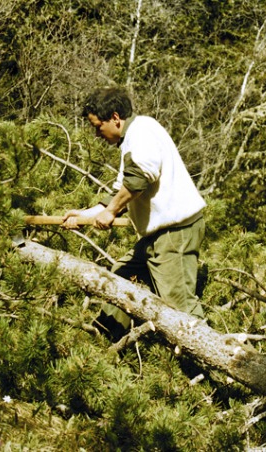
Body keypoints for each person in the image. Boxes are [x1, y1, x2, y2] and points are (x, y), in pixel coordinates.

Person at [63, 86, 206, 340]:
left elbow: (140, 179)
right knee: (122, 277)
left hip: (175, 233)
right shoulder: (131, 141)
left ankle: (212, 360)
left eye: (98, 126)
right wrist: (83, 215)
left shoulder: (142, 132)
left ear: (115, 118)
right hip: (157, 236)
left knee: (180, 306)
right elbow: (119, 191)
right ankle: (104, 339)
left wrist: (111, 212)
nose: (97, 134)